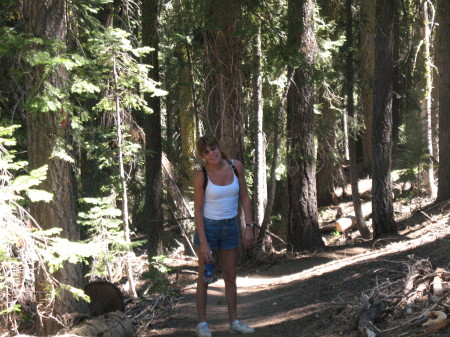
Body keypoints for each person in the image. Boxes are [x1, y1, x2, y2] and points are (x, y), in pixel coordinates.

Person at [193, 135, 256, 337]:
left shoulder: (236, 166)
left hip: (230, 227)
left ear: (219, 147)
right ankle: (202, 324)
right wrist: (203, 242)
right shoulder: (201, 176)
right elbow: (198, 211)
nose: (212, 153)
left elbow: (245, 197)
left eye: (213, 148)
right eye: (207, 151)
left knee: (230, 275)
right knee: (205, 277)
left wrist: (249, 226)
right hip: (209, 229)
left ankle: (234, 321)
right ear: (202, 156)